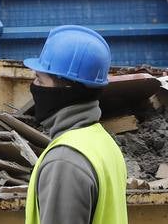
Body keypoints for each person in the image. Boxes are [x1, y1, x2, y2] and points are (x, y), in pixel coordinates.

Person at [23, 25, 128, 224]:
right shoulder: (102, 142)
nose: (34, 86)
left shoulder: (65, 161)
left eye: (40, 79)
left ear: (66, 90)